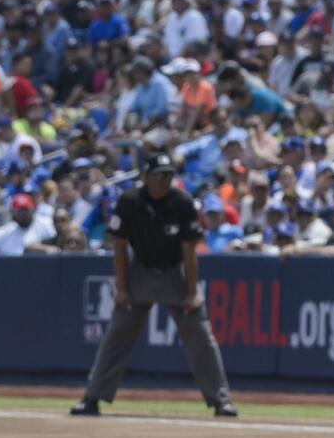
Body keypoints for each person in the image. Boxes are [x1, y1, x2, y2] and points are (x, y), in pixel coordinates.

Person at [70, 154, 238, 418]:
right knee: (117, 334)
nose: (165, 180)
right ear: (146, 176)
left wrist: (193, 293)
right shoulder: (130, 201)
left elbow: (189, 252)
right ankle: (92, 397)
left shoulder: (181, 203)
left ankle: (221, 399)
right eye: (159, 175)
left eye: (169, 175)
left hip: (175, 273)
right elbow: (120, 247)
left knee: (200, 337)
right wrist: (122, 288)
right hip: (141, 272)